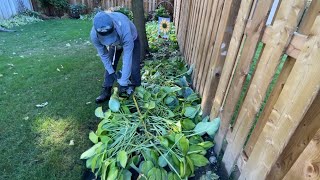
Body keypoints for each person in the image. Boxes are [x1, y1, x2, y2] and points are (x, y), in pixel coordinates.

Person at [91, 11, 141, 103]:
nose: (108, 42)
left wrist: (123, 81)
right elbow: (103, 55)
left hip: (131, 38)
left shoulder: (124, 27)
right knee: (110, 63)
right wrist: (111, 71)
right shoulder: (94, 35)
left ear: (114, 27)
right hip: (115, 43)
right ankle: (106, 90)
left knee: (134, 67)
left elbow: (127, 56)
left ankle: (136, 91)